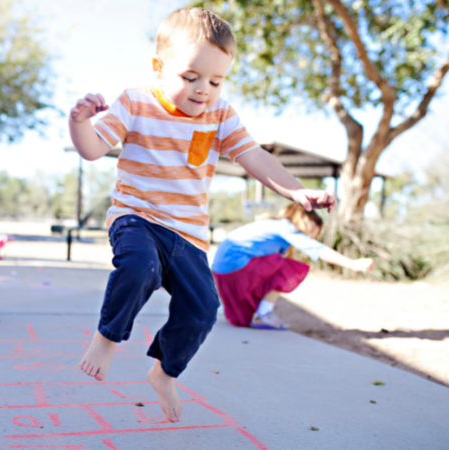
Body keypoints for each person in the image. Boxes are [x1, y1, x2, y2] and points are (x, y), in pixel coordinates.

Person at [68, 7, 336, 423]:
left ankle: (164, 370)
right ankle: (107, 337)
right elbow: (92, 148)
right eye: (190, 77)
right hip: (136, 217)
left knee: (203, 309)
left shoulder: (220, 114)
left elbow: (255, 157)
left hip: (188, 236)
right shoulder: (135, 102)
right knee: (139, 267)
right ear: (159, 68)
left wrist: (298, 191)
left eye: (216, 80)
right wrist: (80, 122)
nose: (203, 90)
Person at [212, 203, 375, 330]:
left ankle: (261, 313)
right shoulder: (286, 226)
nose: (309, 235)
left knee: (244, 319)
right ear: (303, 217)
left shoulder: (271, 224)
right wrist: (352, 264)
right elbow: (316, 249)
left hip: (222, 270)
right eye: (312, 229)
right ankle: (264, 314)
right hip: (236, 266)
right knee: (289, 268)